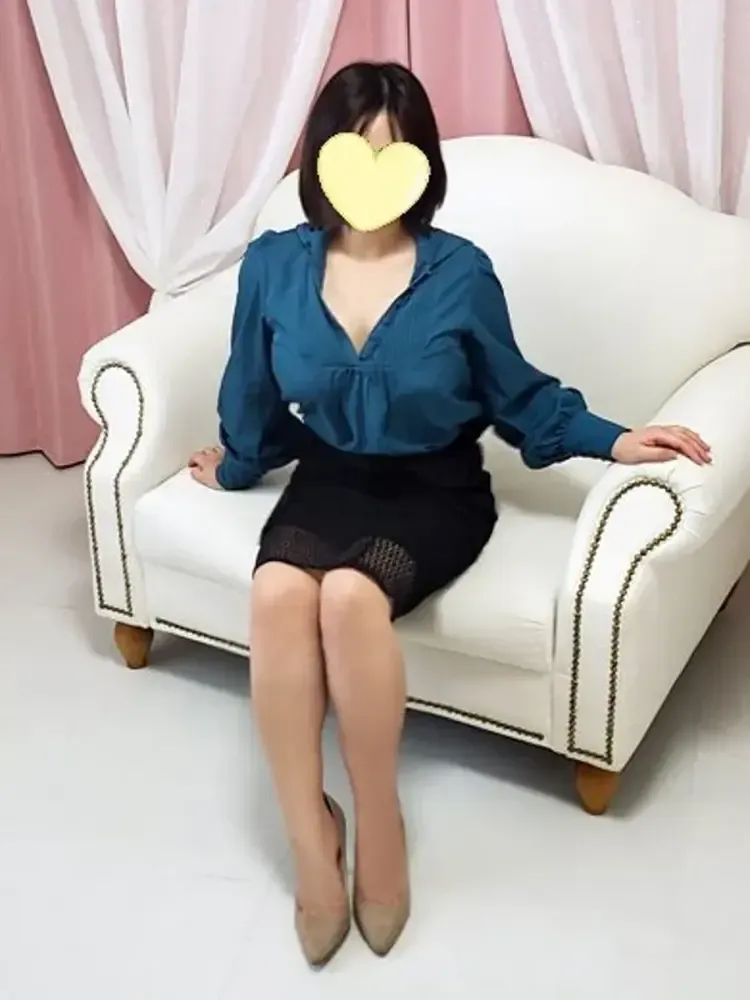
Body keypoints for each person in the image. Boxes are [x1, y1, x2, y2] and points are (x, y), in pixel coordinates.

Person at [188, 61, 711, 967]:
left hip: (435, 487)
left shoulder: (460, 274)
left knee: (350, 596)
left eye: (393, 156)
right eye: (353, 154)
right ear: (322, 159)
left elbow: (519, 394)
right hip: (329, 476)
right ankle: (312, 839)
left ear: (422, 165)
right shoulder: (275, 265)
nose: (369, 179)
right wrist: (235, 466)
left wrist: (617, 439)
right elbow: (253, 393)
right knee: (277, 593)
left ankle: (379, 821)